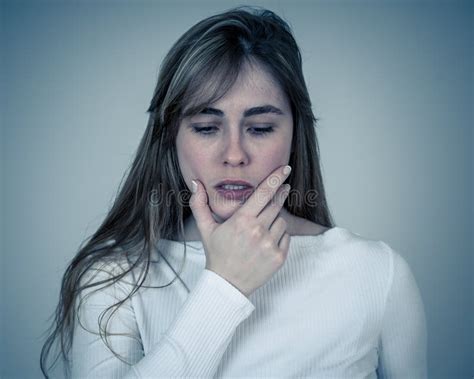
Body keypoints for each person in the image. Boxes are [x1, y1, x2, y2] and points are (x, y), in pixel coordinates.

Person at [40, 6, 427, 378]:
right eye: (207, 127)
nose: (234, 155)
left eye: (260, 128)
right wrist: (224, 285)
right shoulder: (113, 279)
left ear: (295, 134)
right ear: (170, 136)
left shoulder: (376, 272)